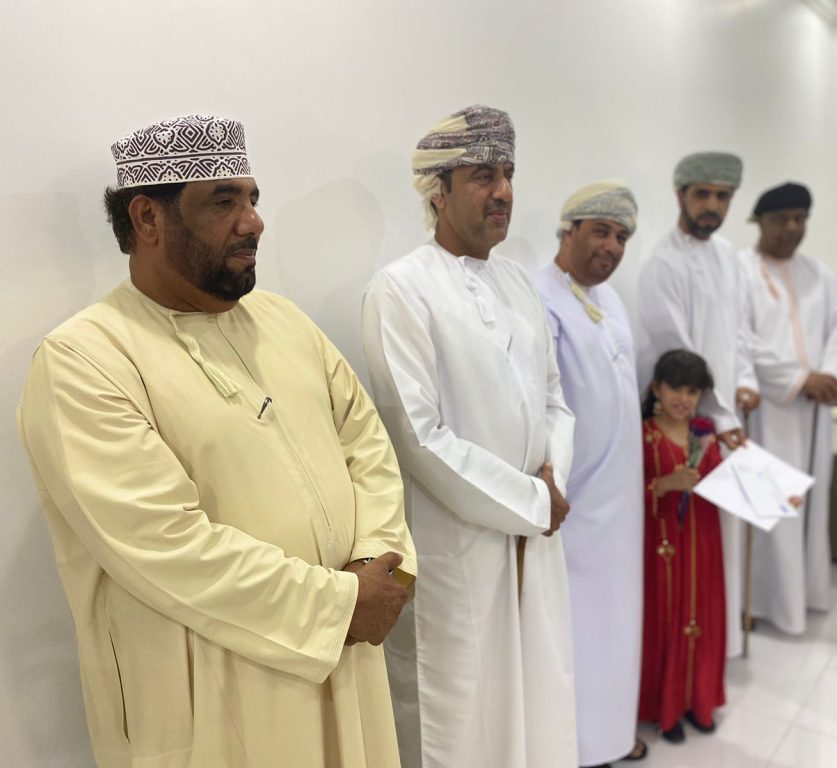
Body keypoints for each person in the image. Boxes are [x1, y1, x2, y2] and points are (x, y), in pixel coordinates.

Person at [17, 114, 415, 768]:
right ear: (148, 217)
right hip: (218, 698)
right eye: (223, 202)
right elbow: (164, 544)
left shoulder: (284, 321)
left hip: (345, 657)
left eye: (253, 199)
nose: (253, 221)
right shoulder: (83, 359)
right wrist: (340, 605)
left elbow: (366, 446)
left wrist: (377, 565)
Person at [361, 105, 577, 768]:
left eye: (508, 173)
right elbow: (419, 437)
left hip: (535, 535)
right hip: (461, 544)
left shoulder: (518, 283)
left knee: (538, 700)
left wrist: (553, 477)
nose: (504, 191)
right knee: (465, 721)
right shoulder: (400, 290)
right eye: (484, 176)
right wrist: (533, 501)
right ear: (438, 190)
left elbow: (555, 400)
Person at [534, 182, 646, 767]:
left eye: (622, 237)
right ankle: (576, 748)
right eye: (601, 231)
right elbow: (540, 404)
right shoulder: (540, 298)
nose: (612, 246)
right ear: (568, 230)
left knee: (617, 626)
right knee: (578, 632)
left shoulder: (611, 298)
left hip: (621, 504)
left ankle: (613, 735)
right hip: (574, 506)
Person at [636, 151, 759, 658]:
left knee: (720, 540)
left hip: (724, 419)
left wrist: (745, 382)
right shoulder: (662, 263)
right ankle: (683, 664)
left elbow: (743, 333)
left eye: (723, 196)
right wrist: (721, 415)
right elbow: (679, 356)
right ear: (680, 195)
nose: (713, 205)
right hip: (690, 423)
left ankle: (716, 652)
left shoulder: (731, 258)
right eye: (702, 194)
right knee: (689, 546)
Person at [740, 182, 837, 634]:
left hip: (814, 412)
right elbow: (740, 339)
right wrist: (800, 378)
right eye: (781, 219)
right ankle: (760, 602)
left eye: (799, 219)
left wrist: (832, 375)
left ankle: (803, 595)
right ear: (759, 223)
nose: (791, 227)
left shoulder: (818, 274)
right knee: (768, 506)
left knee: (809, 504)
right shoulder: (741, 271)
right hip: (768, 412)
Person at [638, 349, 727, 743]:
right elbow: (624, 494)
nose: (683, 399)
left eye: (692, 391)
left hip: (702, 541)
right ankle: (667, 709)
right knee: (668, 621)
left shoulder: (704, 435)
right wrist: (664, 485)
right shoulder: (644, 435)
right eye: (675, 388)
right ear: (657, 387)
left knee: (701, 619)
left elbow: (722, 482)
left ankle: (698, 701)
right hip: (662, 547)